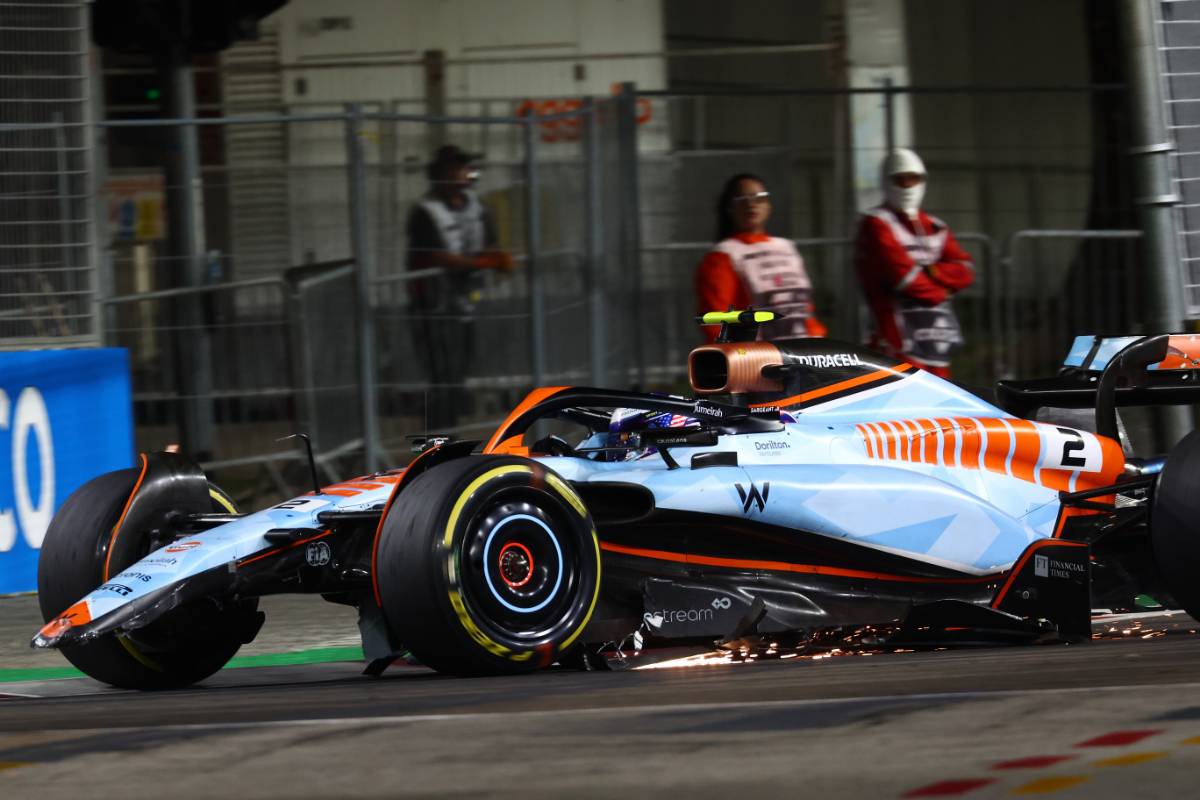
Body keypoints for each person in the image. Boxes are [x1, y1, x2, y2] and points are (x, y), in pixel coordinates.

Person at [406, 144, 513, 428]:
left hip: (464, 303)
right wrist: (483, 264)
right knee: (441, 375)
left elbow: (488, 243)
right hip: (432, 306)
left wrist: (497, 256)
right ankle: (437, 436)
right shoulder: (425, 212)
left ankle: (450, 432)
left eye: (464, 169)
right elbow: (437, 256)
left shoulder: (477, 208)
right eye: (454, 170)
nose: (462, 175)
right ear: (439, 176)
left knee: (457, 373)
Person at [855, 148, 974, 379]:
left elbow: (966, 270)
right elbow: (904, 278)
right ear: (887, 181)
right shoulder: (876, 223)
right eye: (900, 180)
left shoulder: (936, 225)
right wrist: (942, 290)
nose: (908, 186)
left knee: (942, 402)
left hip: (936, 337)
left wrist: (933, 271)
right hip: (896, 338)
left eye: (914, 179)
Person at [694, 173, 826, 343]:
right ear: (729, 208)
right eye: (742, 199)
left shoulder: (786, 248)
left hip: (803, 355)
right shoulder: (722, 257)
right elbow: (716, 322)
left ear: (769, 205)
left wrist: (818, 346)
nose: (751, 204)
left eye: (759, 198)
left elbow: (804, 310)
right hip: (756, 359)